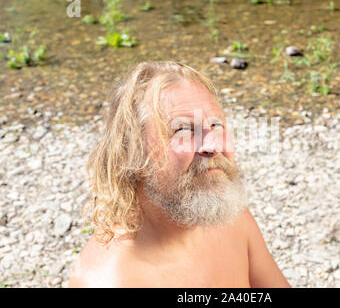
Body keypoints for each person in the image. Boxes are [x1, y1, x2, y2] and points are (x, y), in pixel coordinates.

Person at [68, 61, 290, 288]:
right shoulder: (111, 281)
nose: (212, 144)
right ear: (132, 153)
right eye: (183, 130)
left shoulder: (232, 221)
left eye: (216, 125)